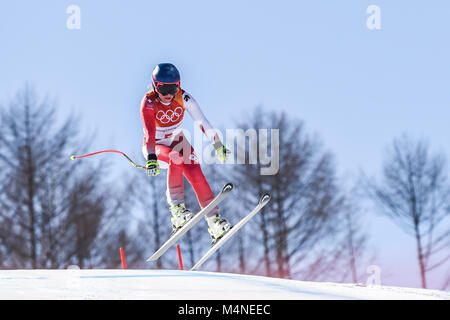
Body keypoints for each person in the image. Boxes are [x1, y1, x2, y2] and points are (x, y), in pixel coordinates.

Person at [140, 63, 232, 244]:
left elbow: (202, 121)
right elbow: (150, 133)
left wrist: (218, 144)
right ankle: (177, 211)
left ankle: (214, 222)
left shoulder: (183, 97)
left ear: (179, 85)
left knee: (195, 171)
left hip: (178, 141)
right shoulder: (149, 102)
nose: (168, 94)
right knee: (176, 158)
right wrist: (151, 159)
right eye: (163, 88)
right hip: (156, 146)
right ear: (155, 86)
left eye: (173, 88)